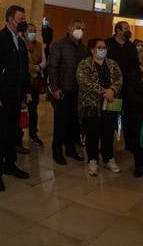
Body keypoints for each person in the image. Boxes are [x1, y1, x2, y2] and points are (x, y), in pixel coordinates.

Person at [0, 5, 32, 190]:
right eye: (20, 19)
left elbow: (24, 70)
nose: (23, 22)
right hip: (1, 96)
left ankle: (10, 165)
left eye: (24, 19)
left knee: (12, 133)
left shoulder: (21, 42)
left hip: (17, 96)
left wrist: (28, 90)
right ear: (9, 19)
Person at [76, 38, 123, 176]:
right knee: (92, 134)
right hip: (91, 105)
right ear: (92, 50)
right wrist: (104, 92)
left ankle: (108, 158)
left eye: (104, 47)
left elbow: (119, 79)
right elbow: (84, 81)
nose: (103, 49)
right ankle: (92, 159)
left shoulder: (112, 63)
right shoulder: (85, 64)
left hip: (110, 103)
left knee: (108, 133)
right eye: (99, 47)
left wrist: (112, 90)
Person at [48, 19, 87, 165]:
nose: (81, 31)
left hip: (77, 91)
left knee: (73, 123)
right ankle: (57, 152)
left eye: (83, 29)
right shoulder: (59, 45)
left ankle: (71, 150)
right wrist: (55, 88)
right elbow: (53, 68)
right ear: (70, 28)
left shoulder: (83, 48)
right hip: (63, 89)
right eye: (78, 27)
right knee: (61, 123)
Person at [124, 44, 143, 176]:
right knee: (138, 141)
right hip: (137, 112)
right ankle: (138, 165)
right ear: (140, 59)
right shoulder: (133, 74)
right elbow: (130, 93)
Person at [20, 22, 45, 149]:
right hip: (22, 82)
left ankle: (33, 134)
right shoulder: (20, 43)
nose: (32, 33)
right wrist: (32, 69)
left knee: (33, 110)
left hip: (34, 83)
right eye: (30, 30)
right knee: (20, 110)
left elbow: (44, 62)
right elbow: (21, 64)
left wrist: (38, 67)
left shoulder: (39, 45)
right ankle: (18, 137)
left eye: (34, 30)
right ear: (24, 32)